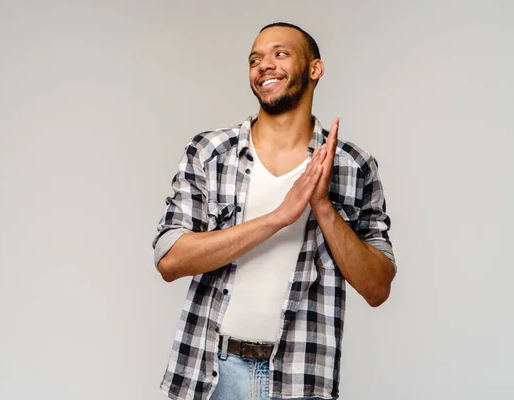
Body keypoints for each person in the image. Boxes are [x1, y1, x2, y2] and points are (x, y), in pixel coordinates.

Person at [152, 22, 397, 400]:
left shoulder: (353, 165)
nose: (264, 65)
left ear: (314, 68)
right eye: (255, 59)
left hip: (301, 375)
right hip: (213, 372)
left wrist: (322, 207)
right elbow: (170, 260)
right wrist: (279, 217)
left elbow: (377, 287)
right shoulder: (211, 151)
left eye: (279, 53)